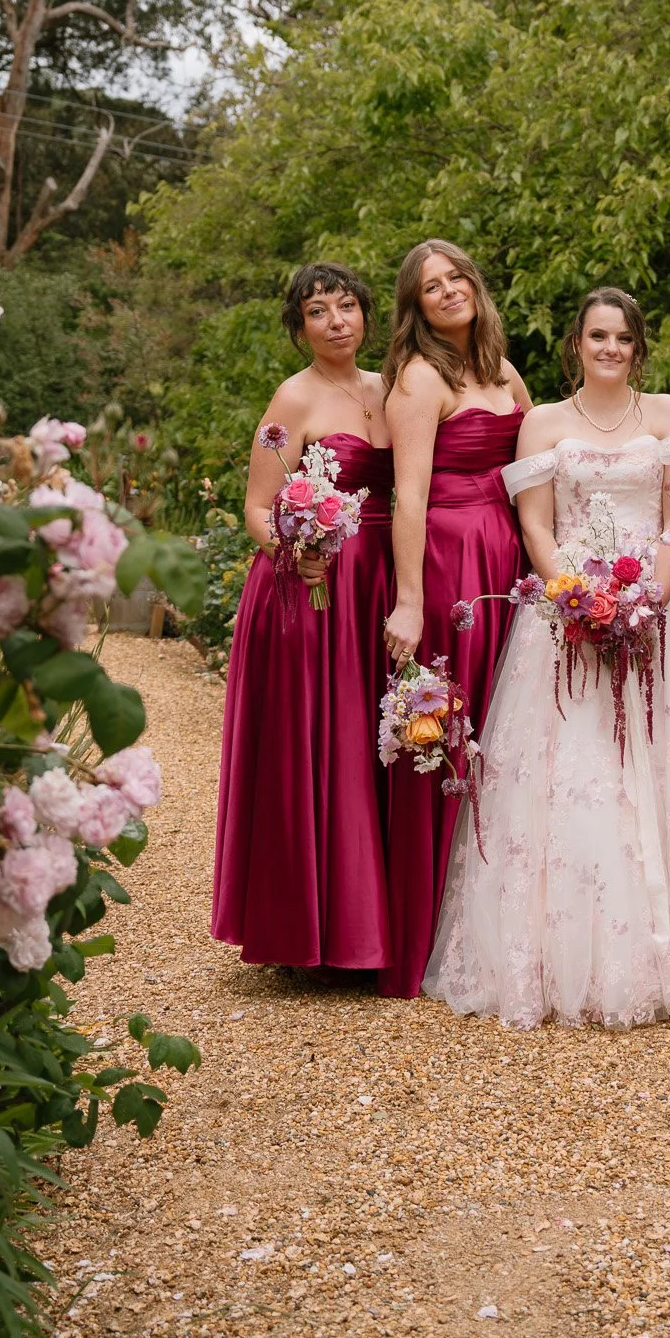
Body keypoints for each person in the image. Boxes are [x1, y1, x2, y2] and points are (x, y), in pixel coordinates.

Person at [425, 287, 670, 1029]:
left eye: (623, 339)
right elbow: (535, 526)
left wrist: (652, 600)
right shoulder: (543, 421)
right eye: (597, 336)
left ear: (639, 349)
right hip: (564, 616)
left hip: (657, 613)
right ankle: (552, 959)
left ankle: (667, 961)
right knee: (563, 779)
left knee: (664, 776)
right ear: (575, 343)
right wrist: (575, 599)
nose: (610, 349)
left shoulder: (668, 414)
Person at [212, 262, 393, 969]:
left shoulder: (388, 388)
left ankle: (373, 923)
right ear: (299, 329)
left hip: (378, 581)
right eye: (319, 312)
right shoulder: (290, 399)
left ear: (366, 316)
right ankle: (309, 931)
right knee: (316, 743)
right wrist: (296, 550)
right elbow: (257, 505)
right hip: (310, 587)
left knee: (371, 738)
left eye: (347, 306)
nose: (337, 321)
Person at [378, 240, 530, 998]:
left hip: (508, 559)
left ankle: (493, 919)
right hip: (449, 562)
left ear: (476, 283)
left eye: (456, 278)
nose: (446, 292)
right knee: (448, 731)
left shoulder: (503, 373)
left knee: (507, 730)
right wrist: (409, 600)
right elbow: (408, 496)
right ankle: (423, 930)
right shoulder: (418, 377)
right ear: (415, 306)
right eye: (429, 287)